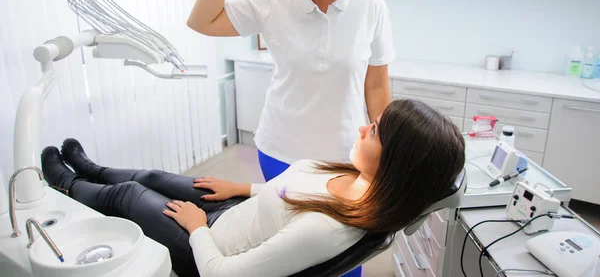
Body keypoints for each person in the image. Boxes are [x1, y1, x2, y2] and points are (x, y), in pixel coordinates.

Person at [41, 99, 465, 277]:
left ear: (397, 164)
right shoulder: (352, 179)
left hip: (209, 249)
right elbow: (285, 192)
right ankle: (91, 168)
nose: (361, 128)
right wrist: (240, 187)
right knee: (151, 179)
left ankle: (65, 183)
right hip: (229, 216)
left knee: (128, 197)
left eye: (372, 131)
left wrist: (196, 229)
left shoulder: (330, 229)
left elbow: (225, 275)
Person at [187, 0, 396, 183]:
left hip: (346, 155)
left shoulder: (370, 4)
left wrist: (385, 148)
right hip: (280, 150)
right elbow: (201, 21)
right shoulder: (273, 1)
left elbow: (376, 85)